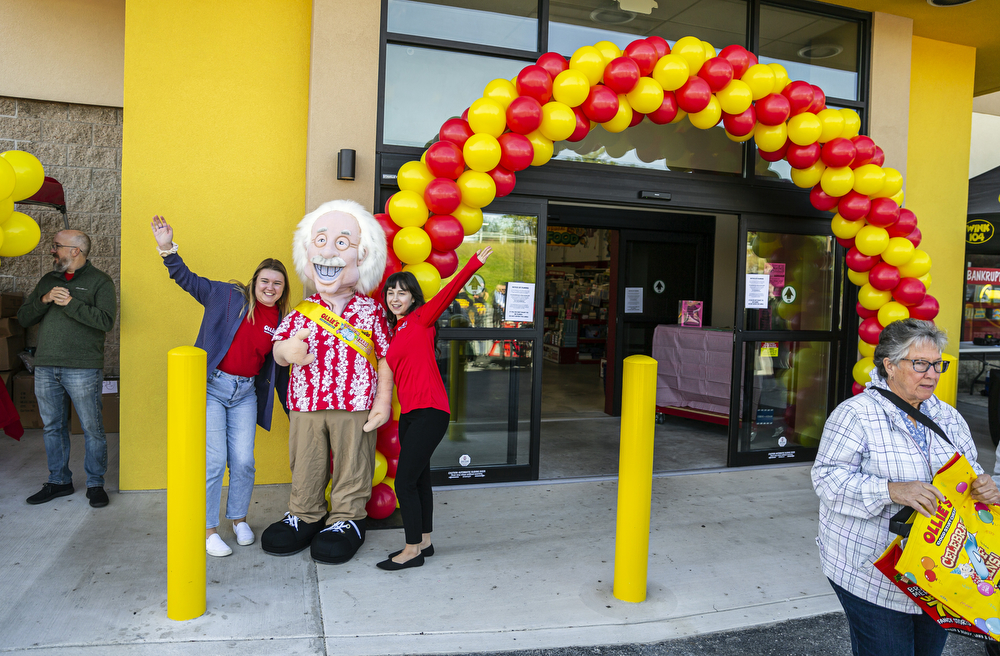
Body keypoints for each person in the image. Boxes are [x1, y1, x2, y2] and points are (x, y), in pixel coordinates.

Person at [812, 319, 1000, 656]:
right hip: (872, 571)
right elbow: (827, 480)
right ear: (889, 366)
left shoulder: (948, 417)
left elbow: (971, 472)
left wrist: (983, 486)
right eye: (920, 364)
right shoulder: (856, 415)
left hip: (938, 573)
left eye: (937, 364)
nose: (932, 374)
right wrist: (893, 490)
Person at [261, 199, 392, 565]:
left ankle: (347, 520)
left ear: (363, 256)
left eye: (342, 243)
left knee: (353, 464)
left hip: (355, 404)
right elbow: (277, 351)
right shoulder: (303, 309)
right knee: (306, 462)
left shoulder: (370, 310)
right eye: (320, 240)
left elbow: (384, 357)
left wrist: (383, 401)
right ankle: (305, 514)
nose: (329, 252)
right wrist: (288, 351)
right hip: (306, 403)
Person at [151, 216, 290, 557]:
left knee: (243, 461)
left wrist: (294, 409)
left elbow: (281, 371)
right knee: (214, 462)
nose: (270, 288)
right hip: (213, 388)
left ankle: (239, 519)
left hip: (245, 395)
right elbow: (187, 280)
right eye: (265, 281)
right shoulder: (226, 296)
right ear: (254, 281)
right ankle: (209, 529)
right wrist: (168, 247)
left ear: (283, 290)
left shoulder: (283, 321)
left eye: (278, 284)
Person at [377, 247, 493, 570]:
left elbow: (449, 291)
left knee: (403, 483)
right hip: (410, 413)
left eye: (402, 292)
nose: (395, 297)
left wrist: (474, 264)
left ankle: (411, 549)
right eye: (391, 292)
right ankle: (425, 541)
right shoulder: (396, 331)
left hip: (431, 411)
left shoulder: (421, 319)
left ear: (413, 298)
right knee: (420, 480)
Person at [21, 230, 117, 508]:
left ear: (76, 251)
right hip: (46, 366)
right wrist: (45, 300)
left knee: (92, 427)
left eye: (57, 246)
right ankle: (59, 481)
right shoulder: (47, 281)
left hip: (83, 367)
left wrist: (71, 304)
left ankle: (96, 484)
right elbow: (25, 318)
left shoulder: (100, 281)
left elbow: (106, 321)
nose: (53, 251)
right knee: (52, 427)